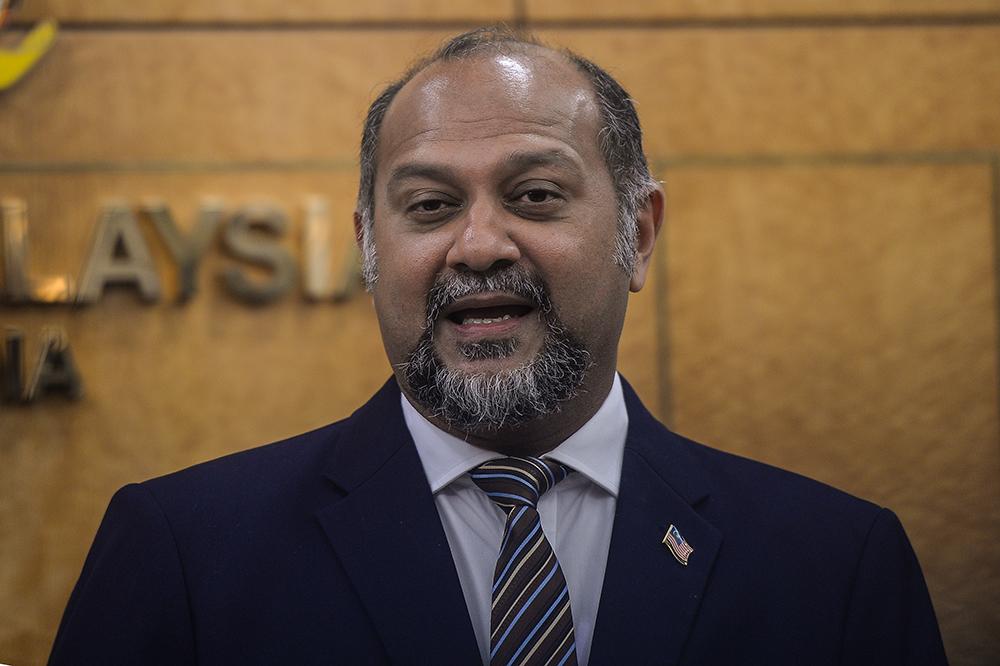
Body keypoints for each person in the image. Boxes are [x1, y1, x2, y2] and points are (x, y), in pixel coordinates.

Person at [49, 26, 948, 665]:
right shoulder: (182, 553)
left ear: (639, 233)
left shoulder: (836, 565)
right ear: (371, 247)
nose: (479, 245)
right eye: (431, 207)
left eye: (536, 195)